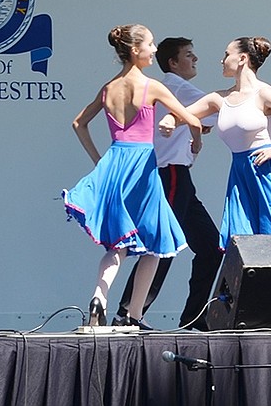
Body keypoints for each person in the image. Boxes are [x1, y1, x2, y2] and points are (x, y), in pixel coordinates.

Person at [164, 38, 271, 317]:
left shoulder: (264, 93)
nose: (221, 59)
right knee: (246, 240)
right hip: (242, 175)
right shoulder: (220, 98)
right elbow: (185, 114)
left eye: (226, 54)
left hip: (268, 172)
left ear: (242, 59)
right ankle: (262, 310)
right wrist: (172, 120)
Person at [63, 24, 202, 328]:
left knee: (119, 244)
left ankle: (99, 296)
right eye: (150, 45)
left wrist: (100, 161)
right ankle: (135, 314)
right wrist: (197, 143)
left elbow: (78, 124)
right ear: (136, 50)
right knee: (157, 241)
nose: (154, 50)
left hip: (115, 161)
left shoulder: (108, 88)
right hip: (141, 164)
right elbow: (192, 119)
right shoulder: (152, 86)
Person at [111, 37, 223, 331]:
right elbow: (218, 109)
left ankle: (193, 318)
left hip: (180, 176)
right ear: (173, 63)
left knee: (211, 247)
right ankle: (128, 313)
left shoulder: (178, 89)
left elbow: (201, 119)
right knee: (160, 244)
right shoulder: (178, 86)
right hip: (169, 173)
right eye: (189, 54)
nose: (195, 59)